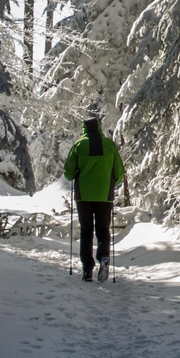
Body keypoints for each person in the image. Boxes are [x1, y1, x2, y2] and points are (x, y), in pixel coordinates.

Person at [63, 116, 128, 282]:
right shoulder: (109, 145)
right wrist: (111, 182)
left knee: (86, 231)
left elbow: (69, 174)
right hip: (105, 195)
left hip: (83, 196)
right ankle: (104, 257)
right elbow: (119, 171)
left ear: (84, 128)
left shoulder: (79, 145)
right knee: (103, 229)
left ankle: (87, 269)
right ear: (99, 127)